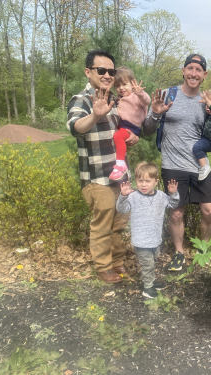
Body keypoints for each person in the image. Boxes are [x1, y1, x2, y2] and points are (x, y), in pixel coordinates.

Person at [143, 54, 211, 271]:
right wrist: (155, 114)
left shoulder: (206, 101)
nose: (193, 73)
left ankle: (204, 250)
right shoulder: (166, 95)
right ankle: (179, 253)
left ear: (204, 75)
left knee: (209, 211)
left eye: (198, 70)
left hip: (199, 166)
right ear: (183, 70)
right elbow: (147, 129)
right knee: (176, 212)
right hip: (173, 164)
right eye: (190, 68)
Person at [67, 49, 139, 283]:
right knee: (103, 223)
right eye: (101, 70)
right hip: (98, 177)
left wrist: (132, 138)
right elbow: (75, 127)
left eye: (111, 71)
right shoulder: (81, 100)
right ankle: (102, 266)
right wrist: (95, 116)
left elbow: (121, 132)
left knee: (119, 222)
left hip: (121, 177)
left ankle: (117, 261)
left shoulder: (115, 101)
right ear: (88, 72)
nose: (107, 75)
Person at [116, 162, 180, 298]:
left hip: (155, 239)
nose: (143, 184)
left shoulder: (161, 196)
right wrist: (123, 196)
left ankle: (150, 280)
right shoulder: (133, 197)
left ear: (156, 182)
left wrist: (173, 194)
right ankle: (148, 288)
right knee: (148, 265)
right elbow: (121, 209)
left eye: (147, 181)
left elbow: (173, 204)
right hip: (141, 240)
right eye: (140, 181)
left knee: (153, 262)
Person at [109, 67, 151, 181]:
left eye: (124, 84)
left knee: (118, 136)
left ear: (132, 84)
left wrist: (140, 92)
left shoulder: (136, 97)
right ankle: (120, 162)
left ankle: (120, 165)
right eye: (117, 85)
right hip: (124, 125)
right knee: (117, 136)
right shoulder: (119, 98)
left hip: (131, 127)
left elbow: (147, 101)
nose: (121, 88)